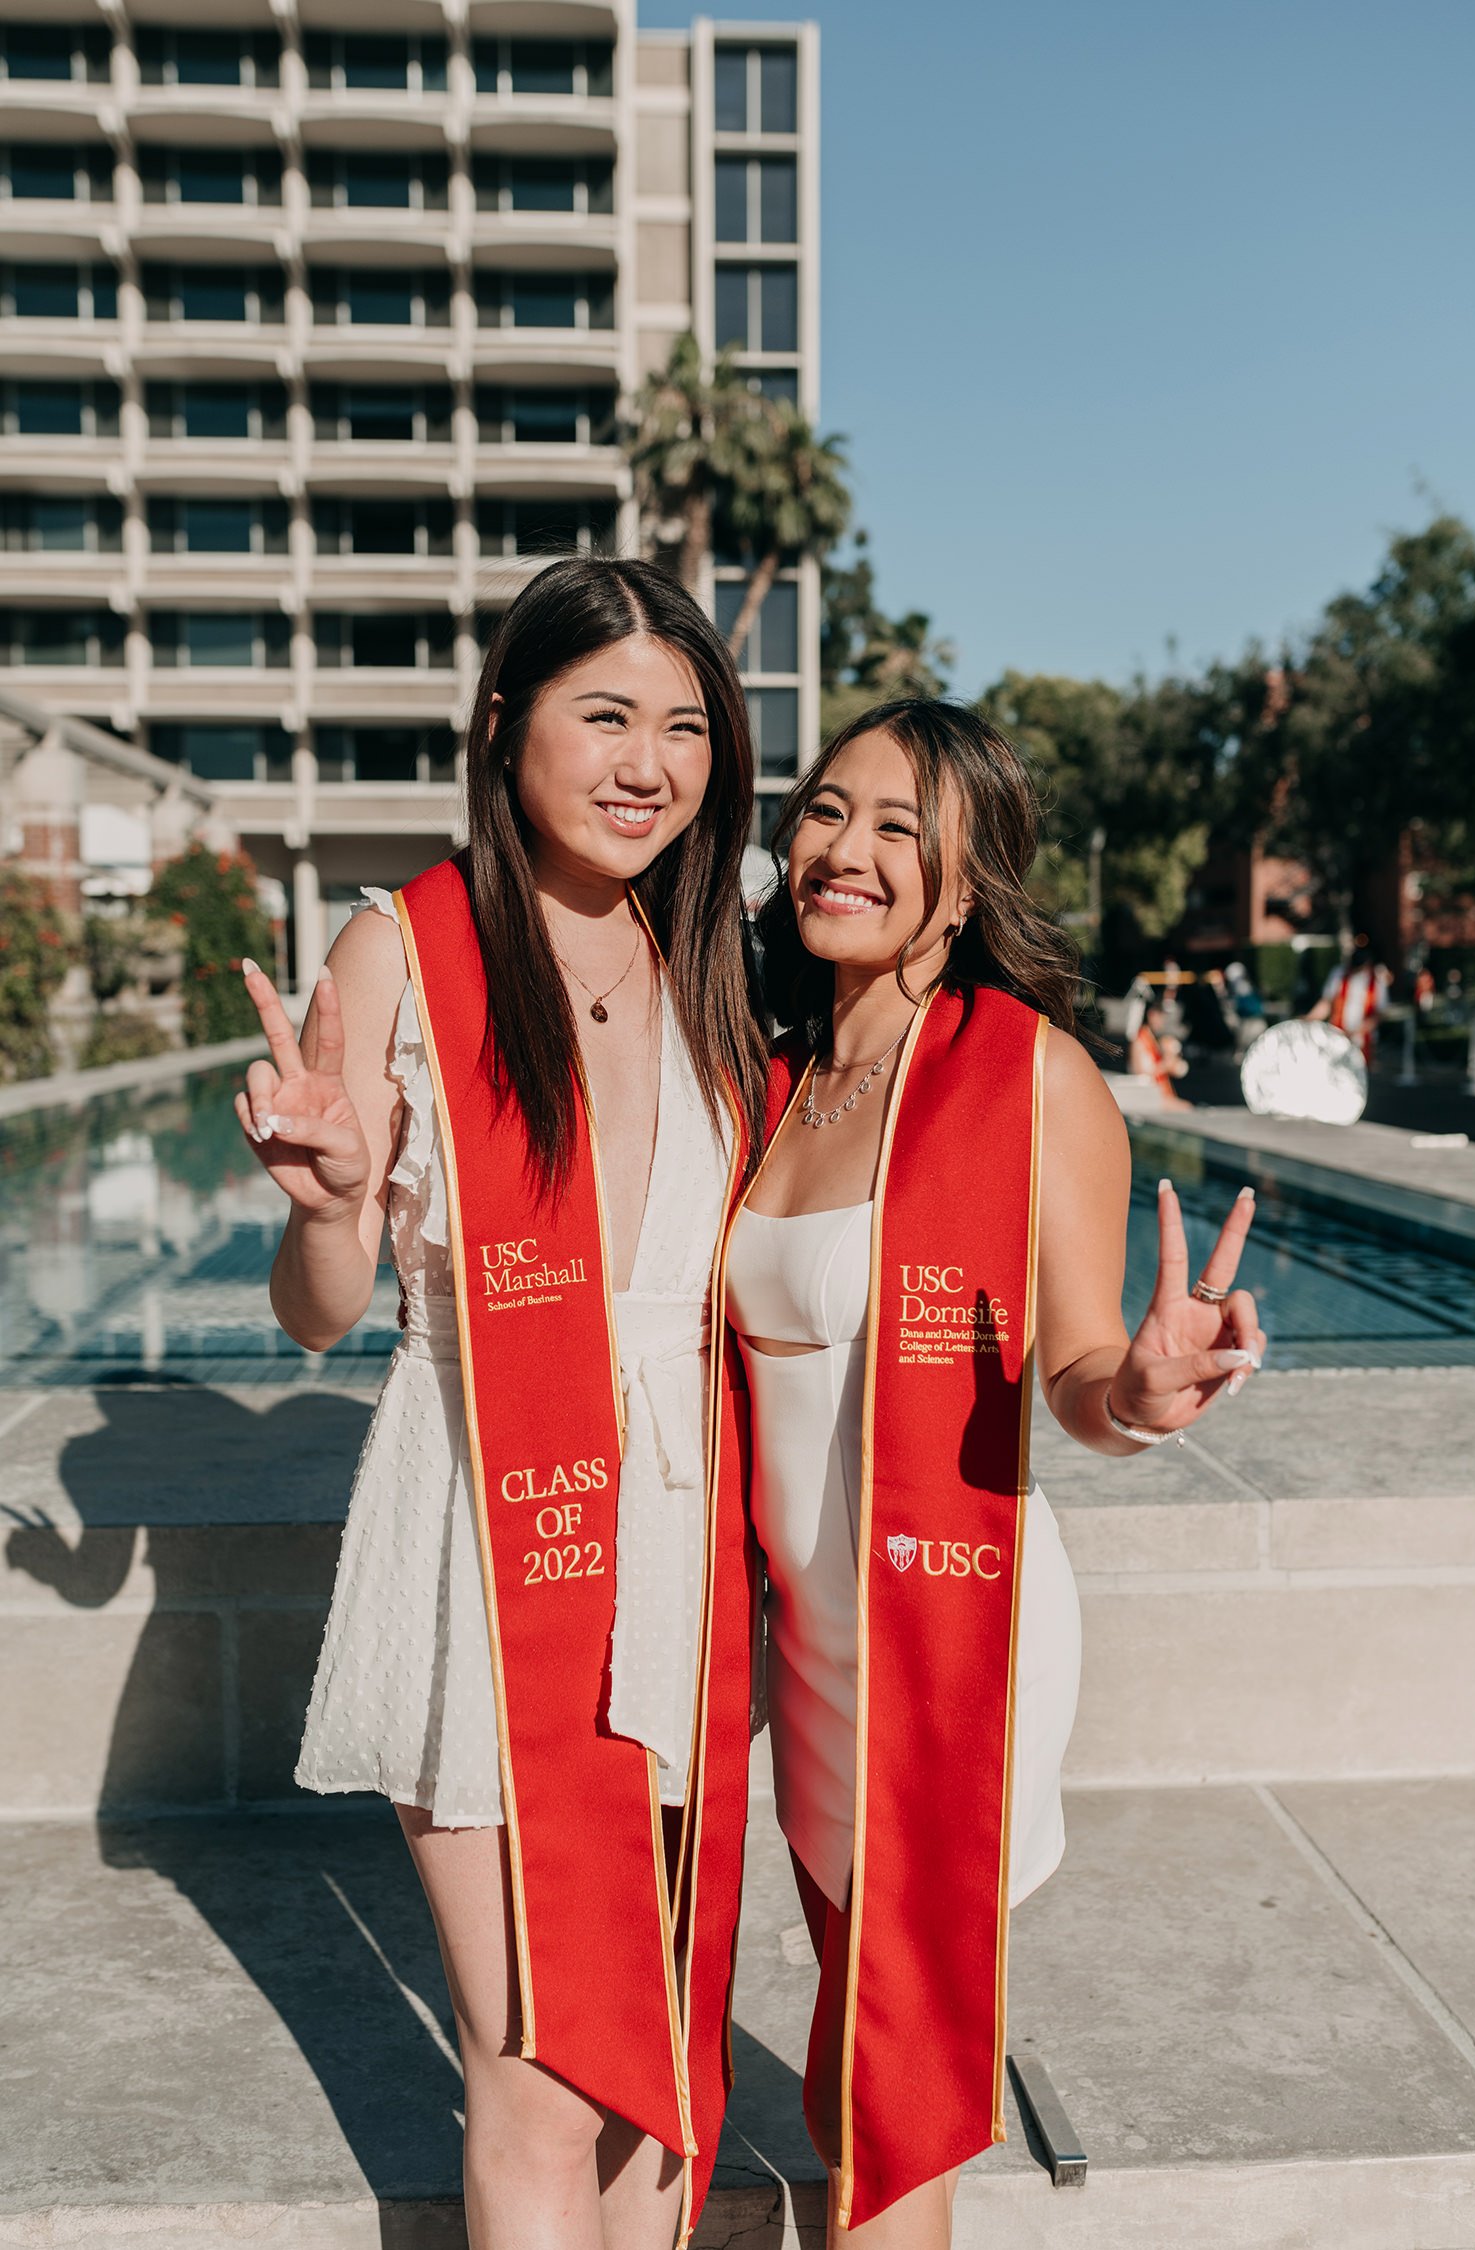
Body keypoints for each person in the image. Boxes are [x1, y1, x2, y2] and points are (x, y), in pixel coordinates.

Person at [233, 557, 766, 2250]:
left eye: (685, 728)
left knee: (659, 2066)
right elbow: (318, 1319)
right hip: (487, 1523)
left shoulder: (711, 957)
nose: (648, 763)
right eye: (603, 714)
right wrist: (329, 1206)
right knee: (536, 2066)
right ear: (503, 728)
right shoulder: (405, 947)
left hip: (681, 1534)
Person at [727, 698, 1264, 2247]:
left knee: (891, 2117)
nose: (850, 848)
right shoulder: (775, 1076)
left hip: (952, 1646)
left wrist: (1143, 1393)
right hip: (815, 1655)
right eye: (830, 810)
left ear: (965, 889)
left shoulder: (1026, 1079)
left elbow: (1080, 1376)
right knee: (849, 2062)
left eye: (903, 828)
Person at [1310, 936, 1390, 1066]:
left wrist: (1357, 1031)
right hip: (1337, 1036)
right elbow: (1327, 1002)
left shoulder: (1377, 979)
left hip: (1363, 1041)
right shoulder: (1339, 974)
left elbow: (1379, 1013)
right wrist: (1310, 1018)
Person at [1129, 996, 1191, 1103]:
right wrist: (1166, 1066)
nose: (1163, 1021)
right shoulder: (1140, 1041)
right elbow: (1142, 1073)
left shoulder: (1153, 1038)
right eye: (1160, 1016)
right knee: (1187, 1109)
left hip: (1160, 1093)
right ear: (1151, 1015)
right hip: (1150, 1097)